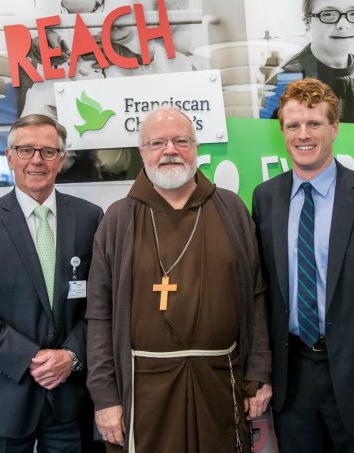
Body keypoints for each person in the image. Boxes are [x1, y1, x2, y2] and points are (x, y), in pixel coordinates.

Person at [86, 107, 272, 452]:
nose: (170, 150)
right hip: (142, 389)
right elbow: (99, 315)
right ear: (142, 152)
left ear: (196, 148)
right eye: (157, 142)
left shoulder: (231, 209)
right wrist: (104, 396)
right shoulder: (119, 219)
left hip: (220, 381)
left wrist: (258, 374)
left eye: (180, 141)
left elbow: (257, 297)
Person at [252, 77, 354, 452]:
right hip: (291, 381)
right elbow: (261, 295)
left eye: (314, 123)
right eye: (293, 125)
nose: (303, 134)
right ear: (282, 131)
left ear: (334, 128)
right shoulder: (266, 199)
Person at [0, 114, 104, 452]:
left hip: (71, 399)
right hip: (0, 396)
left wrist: (71, 355)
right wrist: (31, 358)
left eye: (48, 151)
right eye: (26, 149)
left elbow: (102, 303)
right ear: (9, 156)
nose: (37, 159)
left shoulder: (92, 218)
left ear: (61, 160)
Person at [261, 0, 354, 124]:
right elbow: (264, 139)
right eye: (328, 14)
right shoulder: (285, 81)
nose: (343, 24)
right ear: (307, 21)